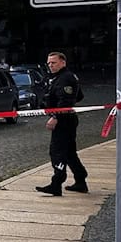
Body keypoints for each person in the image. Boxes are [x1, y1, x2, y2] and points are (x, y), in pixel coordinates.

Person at [35, 51, 88, 196]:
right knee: (69, 153)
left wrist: (55, 117)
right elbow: (79, 96)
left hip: (64, 120)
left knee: (57, 151)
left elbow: (66, 101)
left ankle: (56, 183)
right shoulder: (59, 77)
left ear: (63, 62)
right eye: (49, 63)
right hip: (67, 119)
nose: (50, 65)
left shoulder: (66, 78)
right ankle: (80, 180)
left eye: (54, 62)